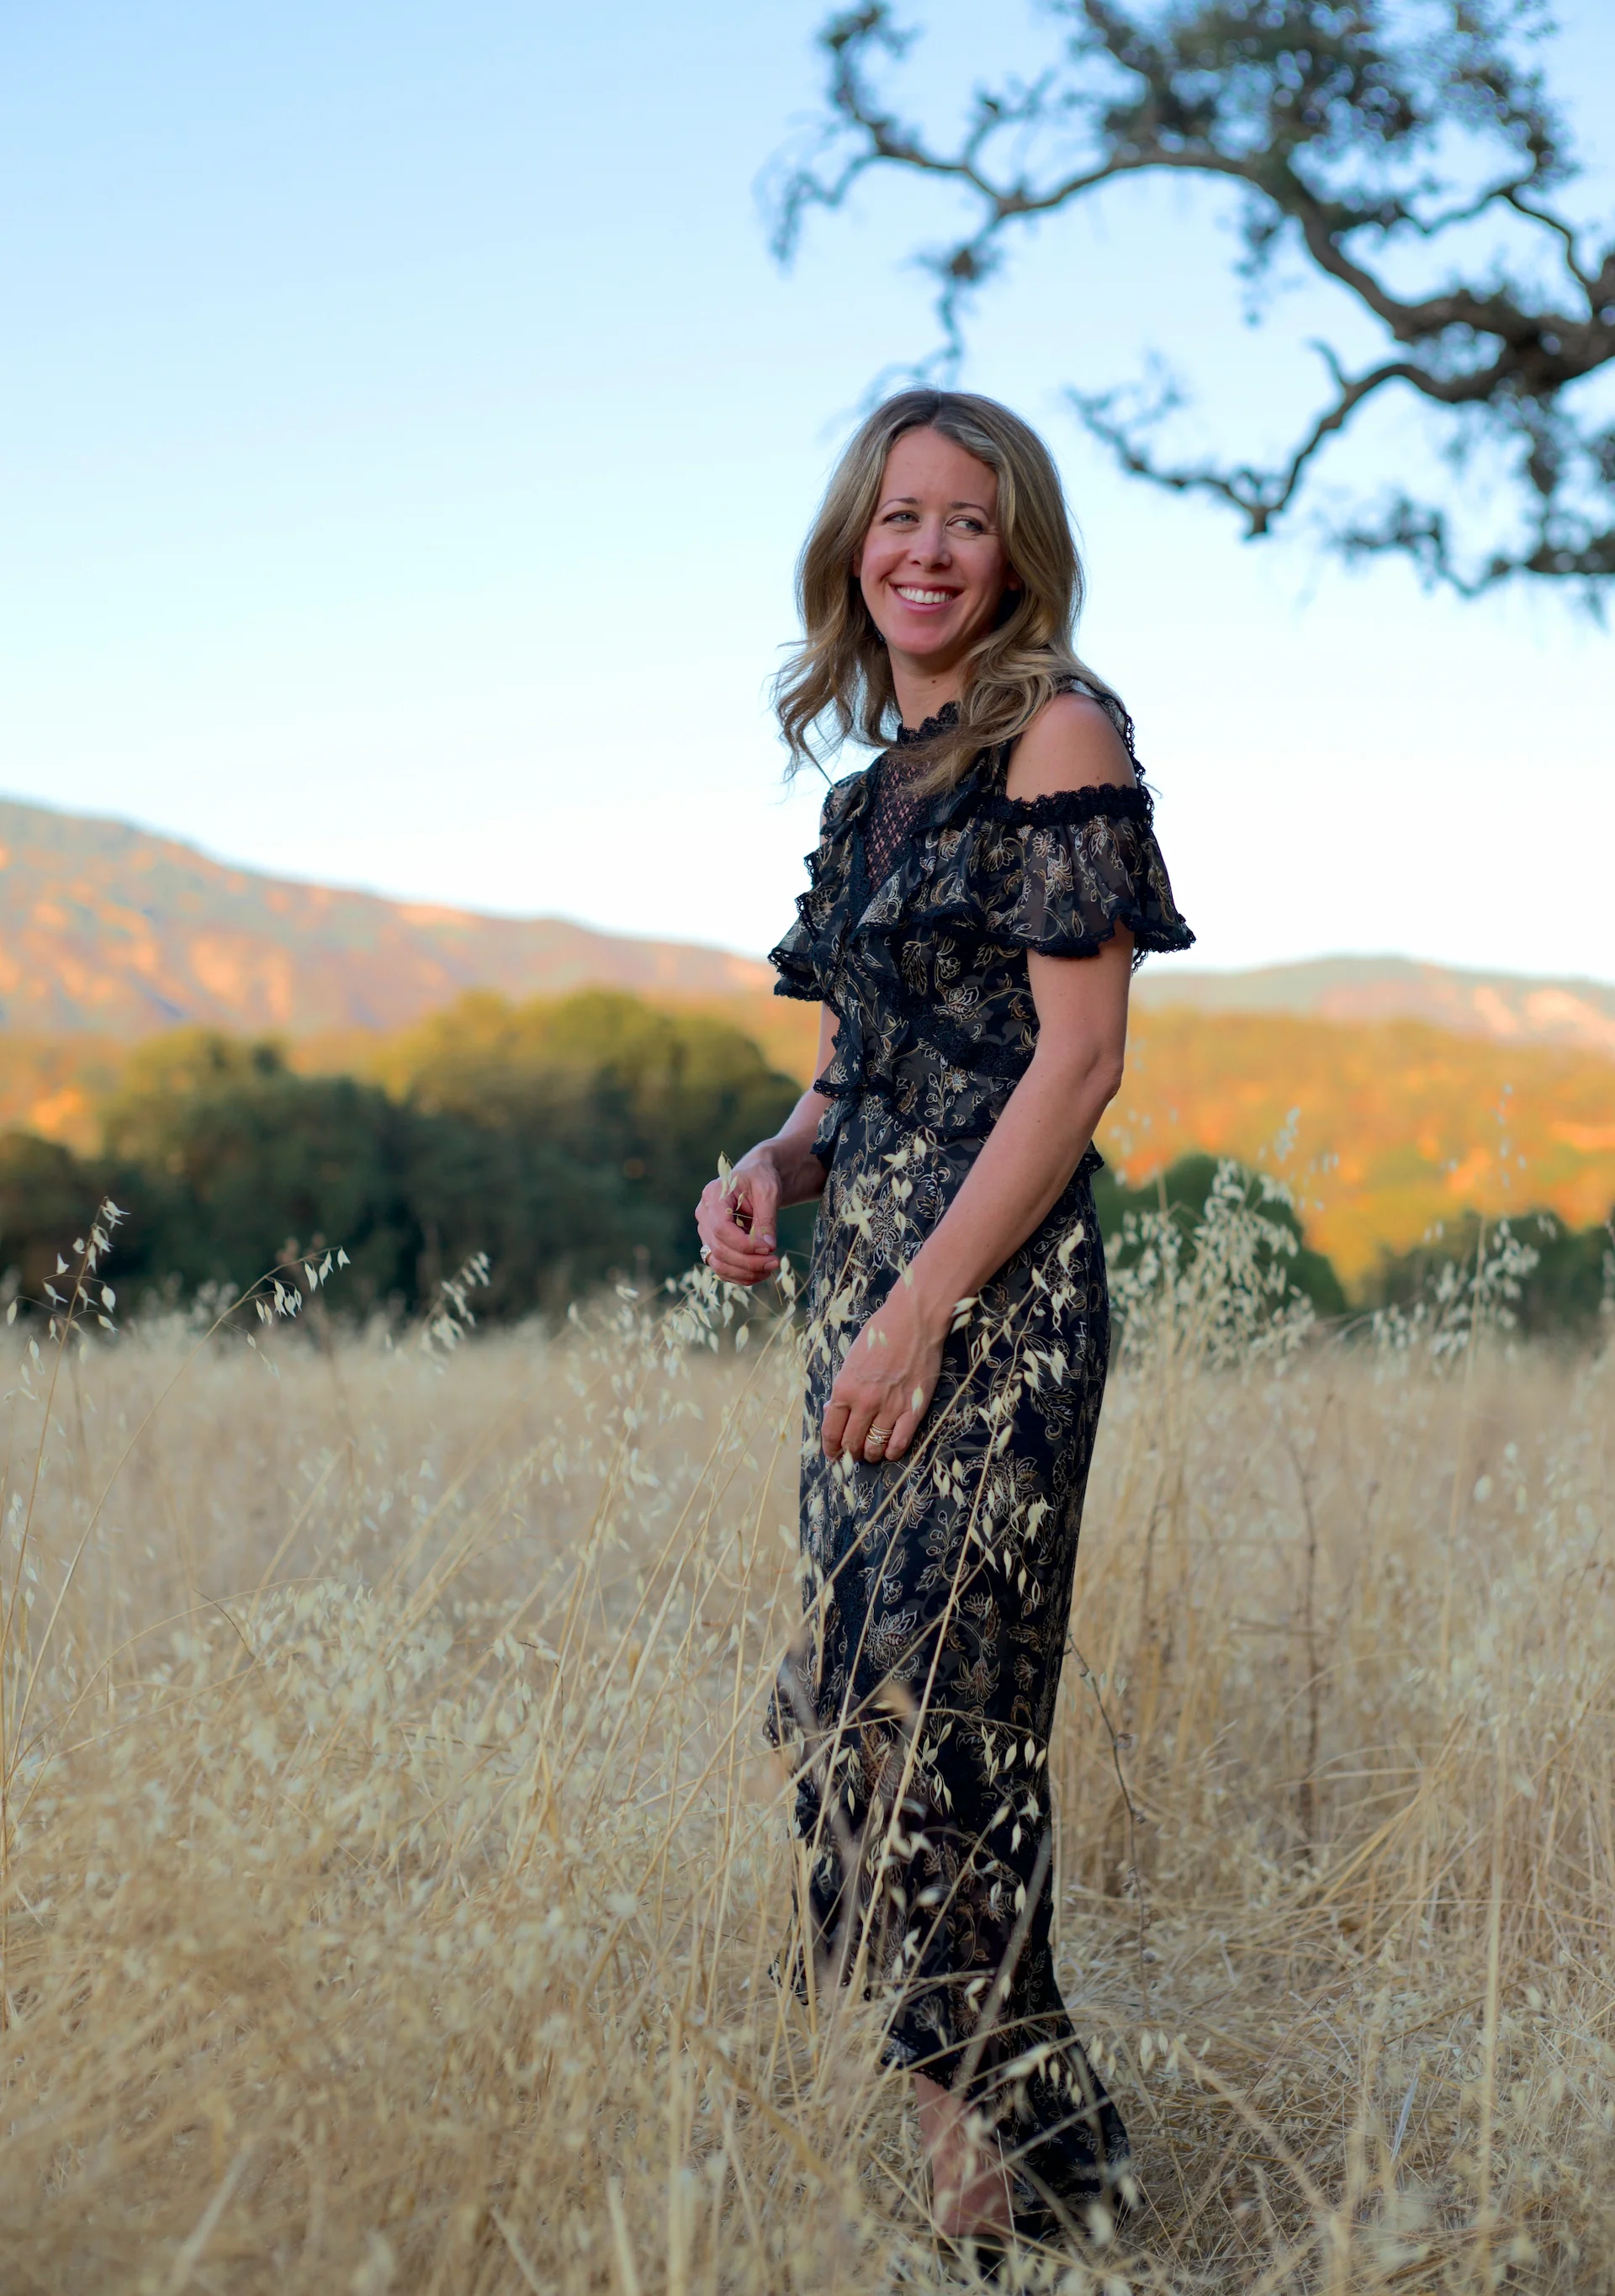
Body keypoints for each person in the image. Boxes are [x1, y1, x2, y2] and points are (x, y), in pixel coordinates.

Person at [695, 389, 1194, 2255]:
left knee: (944, 1733)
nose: (927, 549)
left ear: (1015, 552)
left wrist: (917, 1315)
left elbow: (1078, 1064)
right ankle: (1026, 2181)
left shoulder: (1057, 732)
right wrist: (769, 1166)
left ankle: (1005, 2202)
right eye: (899, 515)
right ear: (853, 544)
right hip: (868, 1306)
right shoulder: (868, 797)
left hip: (991, 1305)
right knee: (852, 1729)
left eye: (967, 521)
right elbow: (853, 1081)